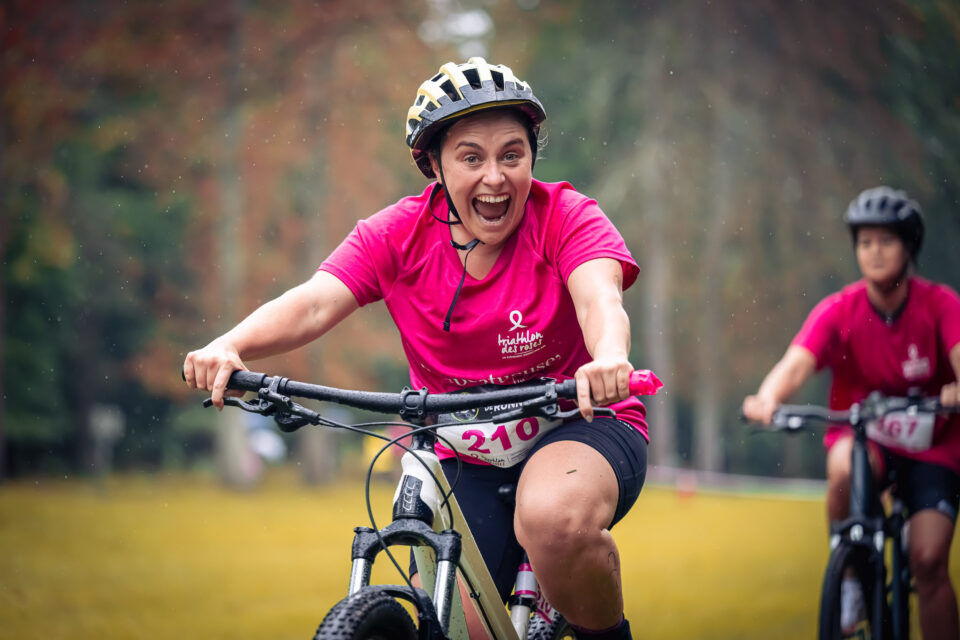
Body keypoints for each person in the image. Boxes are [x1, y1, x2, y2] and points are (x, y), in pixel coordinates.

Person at [184, 58, 648, 640]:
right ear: (434, 165)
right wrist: (230, 345)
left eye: (512, 154)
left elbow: (599, 297)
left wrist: (608, 358)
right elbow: (314, 303)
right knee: (467, 628)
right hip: (462, 449)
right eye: (471, 157)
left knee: (552, 518)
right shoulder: (396, 234)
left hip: (577, 422)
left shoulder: (566, 216)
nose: (496, 178)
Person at [742, 186, 960, 640]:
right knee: (843, 467)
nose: (874, 252)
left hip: (934, 446)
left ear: (908, 246)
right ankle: (852, 579)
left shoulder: (939, 305)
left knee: (929, 560)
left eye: (886, 241)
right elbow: (797, 362)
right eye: (865, 243)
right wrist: (768, 397)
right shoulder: (840, 309)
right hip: (867, 439)